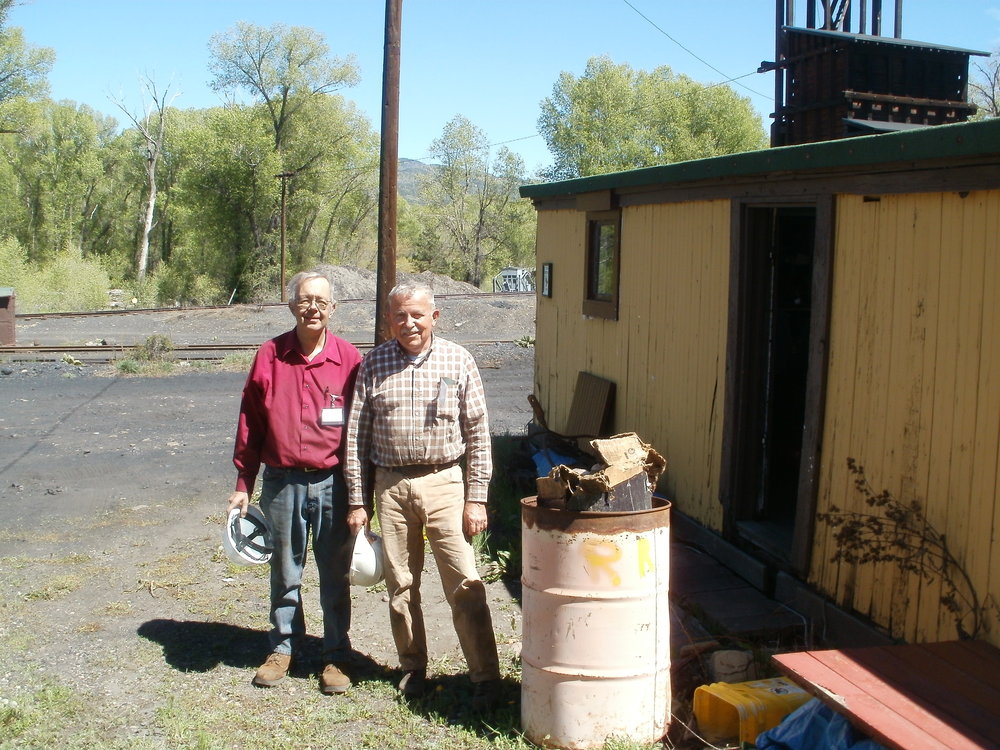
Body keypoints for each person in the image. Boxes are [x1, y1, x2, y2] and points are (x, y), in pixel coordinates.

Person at [344, 281, 502, 705]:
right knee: (400, 584)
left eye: (417, 314)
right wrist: (358, 501)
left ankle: (486, 677)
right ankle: (412, 668)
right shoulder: (373, 365)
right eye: (399, 315)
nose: (408, 323)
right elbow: (356, 440)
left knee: (465, 583)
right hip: (391, 486)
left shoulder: (459, 359)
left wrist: (477, 496)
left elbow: (479, 435)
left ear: (434, 316)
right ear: (389, 320)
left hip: (446, 482)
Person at [226, 270, 362, 695]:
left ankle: (336, 654)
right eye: (305, 300)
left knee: (335, 574)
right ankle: (283, 648)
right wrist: (243, 482)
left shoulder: (351, 359)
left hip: (333, 483)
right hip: (282, 482)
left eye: (321, 301)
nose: (313, 308)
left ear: (333, 309)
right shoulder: (270, 355)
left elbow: (361, 431)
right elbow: (250, 422)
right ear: (292, 306)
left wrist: (361, 496)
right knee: (285, 571)